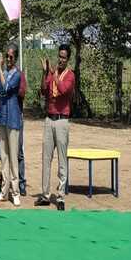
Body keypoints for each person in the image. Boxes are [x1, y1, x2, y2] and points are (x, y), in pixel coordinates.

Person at [36, 44, 76, 211]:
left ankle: (60, 197)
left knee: (62, 160)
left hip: (62, 121)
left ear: (68, 59)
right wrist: (45, 72)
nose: (60, 60)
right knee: (46, 158)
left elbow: (63, 90)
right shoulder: (52, 74)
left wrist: (53, 74)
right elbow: (43, 90)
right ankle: (45, 195)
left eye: (64, 57)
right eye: (59, 56)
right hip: (49, 118)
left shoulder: (70, 75)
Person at [0, 45, 23, 207]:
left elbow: (7, 87)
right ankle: (4, 192)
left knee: (13, 158)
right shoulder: (3, 73)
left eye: (11, 57)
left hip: (13, 119)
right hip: (2, 118)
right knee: (3, 157)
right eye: (7, 56)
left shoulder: (17, 74)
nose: (9, 59)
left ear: (15, 58)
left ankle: (15, 192)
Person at [17, 70, 28, 196]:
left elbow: (22, 93)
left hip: (17, 117)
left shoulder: (20, 75)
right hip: (6, 118)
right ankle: (5, 181)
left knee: (19, 152)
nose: (9, 61)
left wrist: (12, 87)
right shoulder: (4, 75)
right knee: (6, 153)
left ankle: (21, 183)